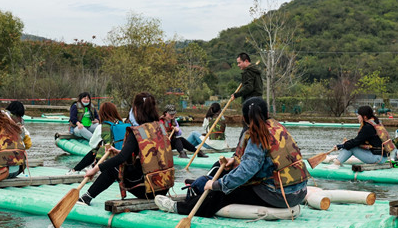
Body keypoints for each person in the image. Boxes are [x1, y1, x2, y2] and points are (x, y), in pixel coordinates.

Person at [154, 97, 307, 218]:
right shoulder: (278, 127)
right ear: (267, 114)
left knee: (221, 193)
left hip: (279, 196)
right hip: (299, 192)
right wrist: (235, 160)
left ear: (245, 118)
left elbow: (246, 172)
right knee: (223, 174)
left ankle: (178, 208)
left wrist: (216, 185)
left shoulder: (257, 135)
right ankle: (200, 189)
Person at [77, 92, 174, 206]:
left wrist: (95, 169)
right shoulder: (161, 128)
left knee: (114, 167)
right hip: (164, 187)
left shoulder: (138, 131)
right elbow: (149, 153)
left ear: (136, 110)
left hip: (148, 190)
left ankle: (86, 198)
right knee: (120, 163)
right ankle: (87, 197)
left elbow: (122, 158)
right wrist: (120, 152)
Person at [68, 102, 125, 173]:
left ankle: (75, 170)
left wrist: (100, 145)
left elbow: (92, 144)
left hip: (108, 162)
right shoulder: (124, 125)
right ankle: (87, 167)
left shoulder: (101, 127)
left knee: (95, 150)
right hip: (124, 159)